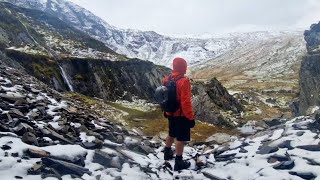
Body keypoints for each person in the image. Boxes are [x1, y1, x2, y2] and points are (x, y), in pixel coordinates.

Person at [162, 57, 195, 171]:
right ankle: (179, 162)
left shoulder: (167, 79)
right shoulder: (184, 81)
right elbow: (185, 102)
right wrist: (190, 117)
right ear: (183, 67)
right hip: (181, 115)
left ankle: (167, 153)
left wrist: (166, 111)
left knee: (171, 134)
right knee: (180, 138)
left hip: (170, 113)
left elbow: (164, 97)